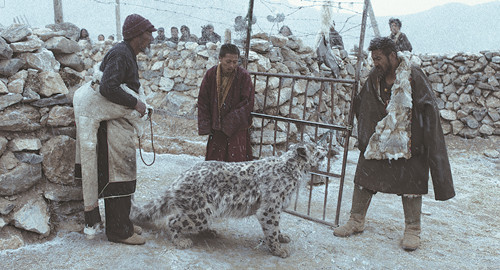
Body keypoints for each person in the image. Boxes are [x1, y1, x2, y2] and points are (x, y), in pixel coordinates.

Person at [333, 37, 455, 251]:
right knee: (364, 175)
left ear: (392, 56)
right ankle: (356, 220)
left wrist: (424, 142)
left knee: (411, 183)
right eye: (373, 59)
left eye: (378, 58)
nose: (375, 63)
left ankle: (413, 229)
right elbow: (363, 104)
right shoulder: (374, 77)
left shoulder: (414, 76)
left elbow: (429, 111)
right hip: (379, 140)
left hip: (408, 143)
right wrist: (363, 134)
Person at [79, 13, 156, 245]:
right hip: (112, 127)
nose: (151, 38)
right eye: (148, 34)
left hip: (118, 124)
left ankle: (124, 222)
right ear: (136, 35)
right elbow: (108, 88)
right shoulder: (121, 54)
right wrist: (136, 103)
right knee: (118, 177)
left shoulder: (126, 54)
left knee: (124, 175)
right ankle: (118, 231)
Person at [197, 43, 255, 162]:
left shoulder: (244, 76)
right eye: (228, 61)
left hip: (237, 129)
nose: (232, 65)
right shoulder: (211, 74)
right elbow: (203, 100)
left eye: (235, 62)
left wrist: (229, 122)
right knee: (215, 165)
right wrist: (206, 124)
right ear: (220, 58)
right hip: (216, 128)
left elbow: (247, 103)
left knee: (236, 164)